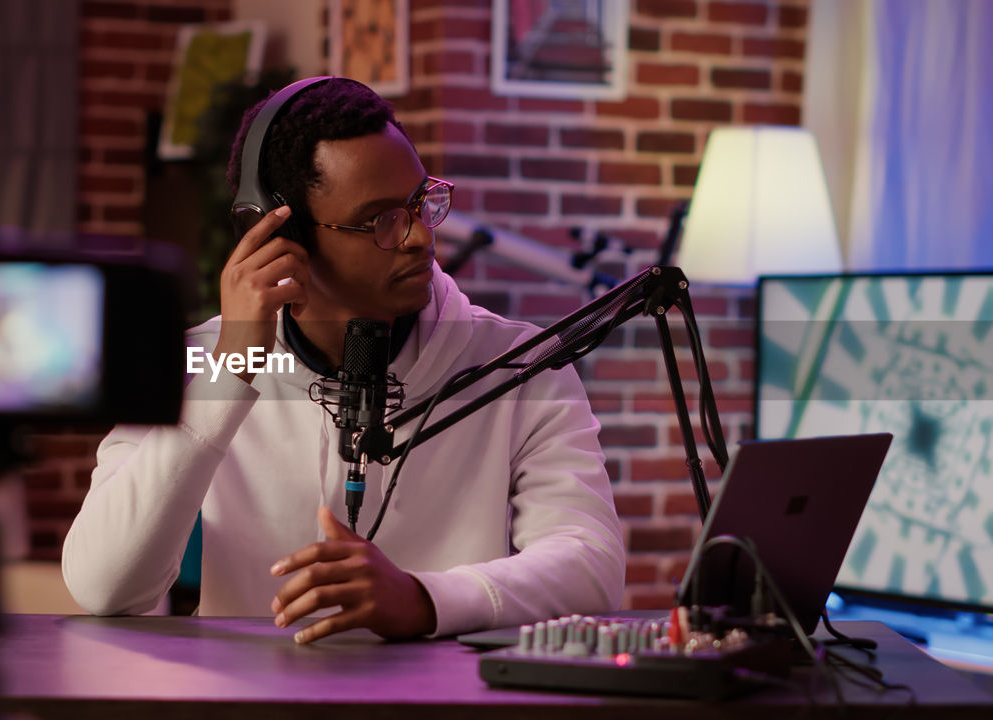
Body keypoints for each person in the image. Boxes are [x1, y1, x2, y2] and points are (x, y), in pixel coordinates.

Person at [61, 77, 624, 644]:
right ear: (281, 238)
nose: (418, 238)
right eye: (379, 220)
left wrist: (425, 599)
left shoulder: (522, 366)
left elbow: (590, 563)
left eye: (420, 203)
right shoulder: (193, 366)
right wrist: (230, 369)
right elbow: (106, 588)